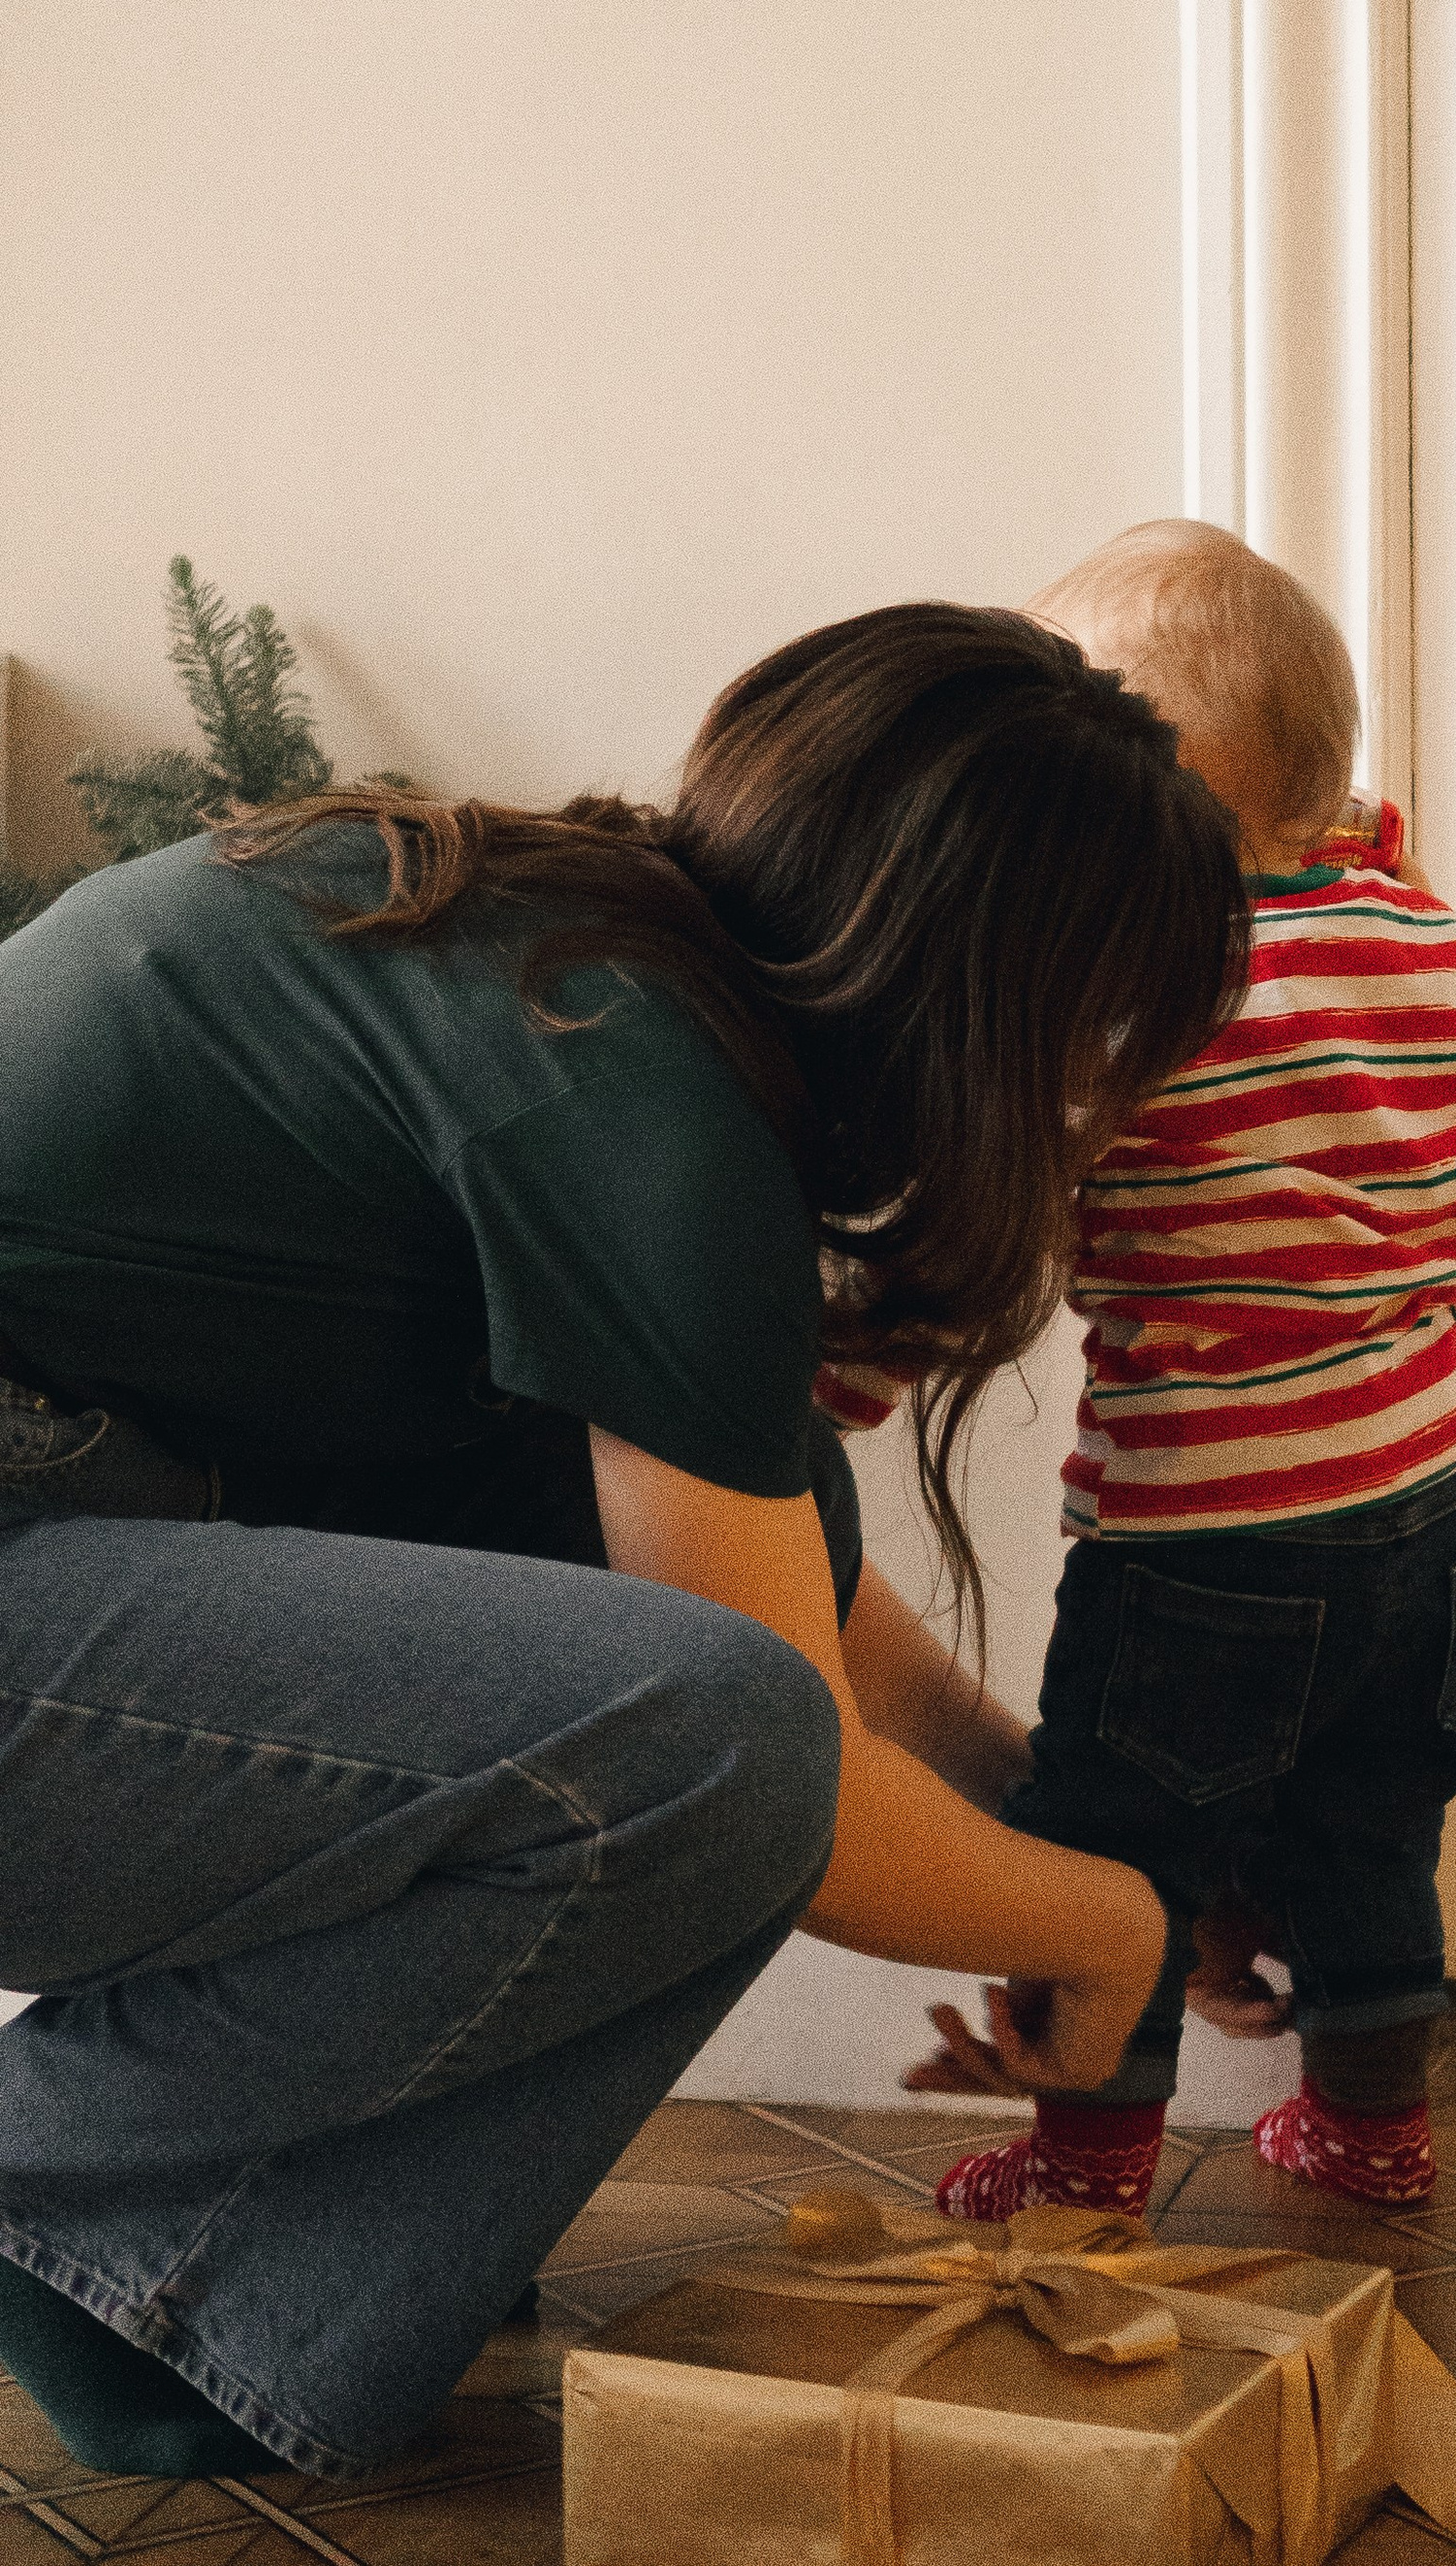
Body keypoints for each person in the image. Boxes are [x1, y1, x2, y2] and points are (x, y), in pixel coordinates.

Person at [0, 604, 1249, 2482]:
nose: (1092, 1113)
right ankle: (59, 2191)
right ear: (992, 1001)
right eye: (1092, 1051)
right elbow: (779, 1769)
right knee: (704, 1741)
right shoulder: (630, 1095)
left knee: (672, 1585)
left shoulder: (560, 949)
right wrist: (1112, 1929)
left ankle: (166, 2297)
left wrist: (1058, 1809)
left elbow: (783, 1570)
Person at [845, 523, 1456, 2219]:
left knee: (1111, 1842)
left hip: (1205, 1527)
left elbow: (1006, 1212)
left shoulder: (1121, 987)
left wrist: (851, 1356)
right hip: (1427, 1497)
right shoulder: (1427, 938)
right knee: (1375, 1828)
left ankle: (1085, 2163)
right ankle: (1372, 2132)